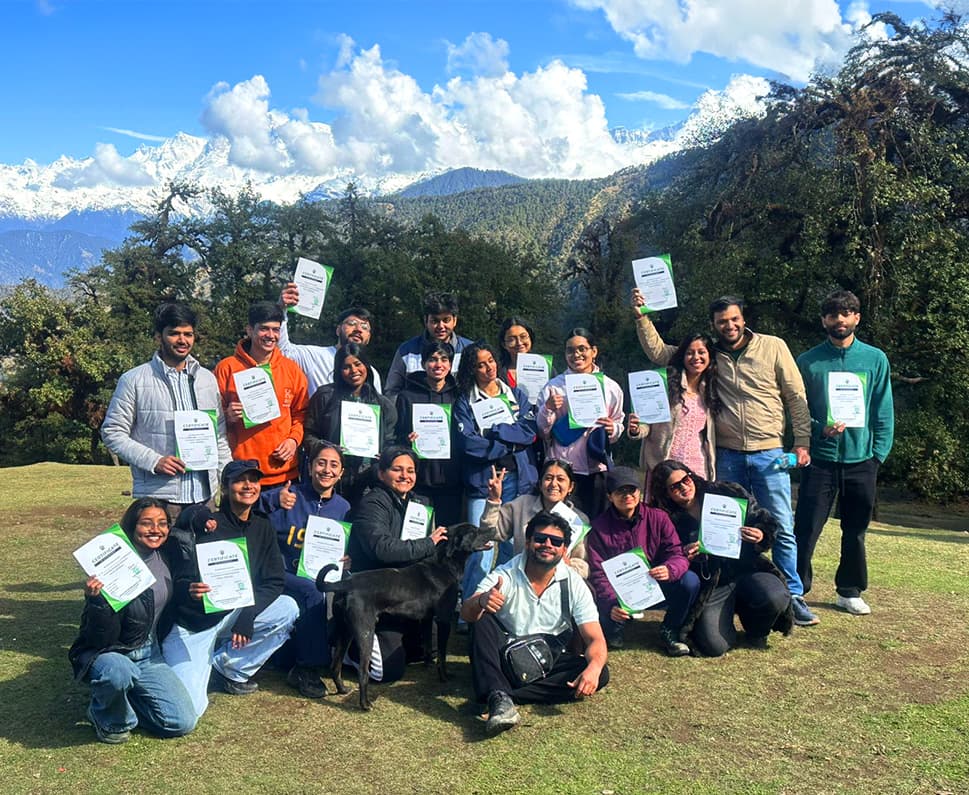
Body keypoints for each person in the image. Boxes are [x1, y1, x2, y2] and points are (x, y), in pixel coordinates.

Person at [632, 292, 817, 627]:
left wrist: (801, 441)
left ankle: (793, 595)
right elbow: (661, 352)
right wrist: (642, 315)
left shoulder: (773, 346)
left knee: (780, 525)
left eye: (734, 319)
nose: (729, 326)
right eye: (721, 322)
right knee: (718, 529)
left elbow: (795, 394)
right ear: (714, 325)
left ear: (743, 317)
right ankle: (722, 590)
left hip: (769, 452)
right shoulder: (709, 352)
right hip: (726, 456)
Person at [161, 460, 299, 716]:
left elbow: (274, 581)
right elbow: (181, 530)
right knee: (188, 709)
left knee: (287, 608)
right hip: (196, 624)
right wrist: (189, 589)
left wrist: (247, 616)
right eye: (239, 480)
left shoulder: (262, 525)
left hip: (233, 613)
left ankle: (228, 669)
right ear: (224, 488)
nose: (248, 486)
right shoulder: (207, 523)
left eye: (253, 480)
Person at [460, 512, 610, 735]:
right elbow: (467, 612)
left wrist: (594, 668)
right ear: (528, 542)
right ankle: (499, 695)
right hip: (503, 654)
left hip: (545, 659)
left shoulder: (575, 583)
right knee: (481, 617)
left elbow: (595, 639)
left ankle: (500, 695)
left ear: (564, 549)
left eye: (556, 541)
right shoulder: (505, 574)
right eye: (540, 538)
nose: (547, 545)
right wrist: (482, 600)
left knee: (600, 673)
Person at [794, 289, 894, 617]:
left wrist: (877, 454)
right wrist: (818, 427)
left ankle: (849, 591)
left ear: (857, 318)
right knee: (806, 526)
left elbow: (883, 409)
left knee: (855, 528)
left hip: (861, 459)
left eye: (847, 313)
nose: (840, 320)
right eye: (833, 314)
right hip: (820, 459)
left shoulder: (875, 359)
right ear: (824, 320)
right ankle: (796, 589)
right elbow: (795, 409)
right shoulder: (808, 361)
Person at [69, 499, 197, 744]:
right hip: (111, 652)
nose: (155, 530)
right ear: (131, 526)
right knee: (118, 671)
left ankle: (124, 696)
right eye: (146, 523)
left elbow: (191, 521)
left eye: (162, 523)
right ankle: (108, 718)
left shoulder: (168, 554)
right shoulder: (110, 565)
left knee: (181, 722)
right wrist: (97, 602)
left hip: (150, 654)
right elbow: (98, 639)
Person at [101, 303, 231, 519]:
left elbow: (218, 436)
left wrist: (226, 480)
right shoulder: (134, 380)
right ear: (158, 337)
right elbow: (112, 432)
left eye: (188, 334)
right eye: (174, 333)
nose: (182, 340)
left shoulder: (207, 379)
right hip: (160, 499)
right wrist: (154, 461)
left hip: (205, 497)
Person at [650, 459, 793, 657]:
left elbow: (765, 520)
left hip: (747, 569)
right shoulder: (665, 518)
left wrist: (760, 534)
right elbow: (663, 556)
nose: (684, 487)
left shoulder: (725, 492)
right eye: (675, 487)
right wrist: (686, 556)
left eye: (686, 479)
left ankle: (757, 630)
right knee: (713, 645)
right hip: (712, 584)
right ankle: (725, 618)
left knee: (774, 596)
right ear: (665, 493)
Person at [344, 447, 450, 682]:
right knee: (387, 672)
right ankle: (348, 652)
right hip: (374, 594)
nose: (405, 476)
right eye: (397, 469)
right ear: (381, 474)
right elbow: (381, 549)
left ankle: (392, 641)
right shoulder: (373, 503)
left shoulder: (419, 504)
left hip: (403, 591)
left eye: (410, 470)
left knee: (426, 650)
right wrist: (428, 543)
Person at [453, 341, 539, 602]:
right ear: (472, 369)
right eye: (480, 364)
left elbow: (529, 431)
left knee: (513, 548)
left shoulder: (516, 394)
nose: (488, 367)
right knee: (481, 548)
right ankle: (469, 609)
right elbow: (469, 445)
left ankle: (505, 605)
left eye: (490, 360)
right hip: (484, 483)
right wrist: (507, 445)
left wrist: (495, 432)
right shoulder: (464, 402)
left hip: (519, 480)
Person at [264, 441, 351, 697]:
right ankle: (308, 667)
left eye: (334, 465)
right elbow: (248, 509)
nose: (327, 469)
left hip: (318, 575)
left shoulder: (343, 508)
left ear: (341, 472)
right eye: (321, 463)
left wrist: (347, 559)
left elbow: (346, 546)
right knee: (313, 591)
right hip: (283, 572)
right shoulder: (289, 495)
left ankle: (319, 657)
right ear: (310, 467)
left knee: (326, 590)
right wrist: (272, 499)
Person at [586, 467, 700, 656]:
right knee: (605, 616)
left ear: (639, 492)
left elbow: (677, 553)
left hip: (656, 585)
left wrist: (669, 570)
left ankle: (670, 630)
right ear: (609, 496)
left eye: (632, 489)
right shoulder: (599, 527)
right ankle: (616, 626)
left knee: (690, 581)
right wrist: (611, 603)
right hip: (621, 594)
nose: (627, 495)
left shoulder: (659, 517)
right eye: (620, 491)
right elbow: (598, 573)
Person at [214, 301, 309, 492]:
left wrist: (293, 440)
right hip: (242, 474)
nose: (271, 336)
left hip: (283, 473)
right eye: (264, 329)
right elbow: (212, 419)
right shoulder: (226, 368)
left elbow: (301, 414)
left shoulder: (291, 369)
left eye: (276, 330)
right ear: (249, 330)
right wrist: (228, 416)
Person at [536, 328, 624, 518]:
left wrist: (613, 428)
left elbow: (618, 424)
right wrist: (548, 408)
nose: (576, 354)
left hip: (597, 469)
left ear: (594, 351)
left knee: (597, 527)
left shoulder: (610, 387)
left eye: (582, 349)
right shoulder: (553, 387)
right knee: (563, 526)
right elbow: (543, 432)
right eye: (570, 350)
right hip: (564, 470)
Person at [627, 332, 720, 500]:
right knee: (662, 518)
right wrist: (635, 429)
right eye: (690, 352)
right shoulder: (667, 384)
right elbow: (646, 425)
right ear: (682, 356)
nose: (696, 357)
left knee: (692, 517)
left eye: (701, 352)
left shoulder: (711, 389)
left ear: (710, 356)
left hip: (697, 466)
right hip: (664, 464)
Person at [303, 343, 397, 504]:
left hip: (368, 479)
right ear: (339, 371)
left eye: (358, 364)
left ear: (366, 366)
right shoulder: (325, 397)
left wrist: (386, 455)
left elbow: (391, 440)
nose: (354, 371)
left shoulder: (383, 404)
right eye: (346, 367)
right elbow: (308, 432)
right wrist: (327, 449)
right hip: (330, 477)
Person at [478, 458, 590, 578]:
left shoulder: (579, 520)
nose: (553, 484)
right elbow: (489, 533)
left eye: (560, 479)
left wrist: (568, 565)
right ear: (540, 484)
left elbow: (582, 566)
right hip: (521, 578)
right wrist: (494, 500)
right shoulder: (521, 505)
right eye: (548, 478)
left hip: (560, 580)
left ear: (570, 487)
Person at [394, 341, 463, 526]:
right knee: (415, 532)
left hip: (451, 479)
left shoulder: (459, 396)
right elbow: (397, 435)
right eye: (432, 359)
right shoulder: (407, 396)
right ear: (424, 363)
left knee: (447, 537)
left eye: (443, 359)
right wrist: (407, 440)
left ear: (450, 364)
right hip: (419, 480)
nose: (438, 365)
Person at [278, 284, 383, 394]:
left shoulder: (372, 373)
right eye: (352, 323)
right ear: (338, 330)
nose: (358, 329)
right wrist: (281, 309)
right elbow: (284, 351)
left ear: (369, 338)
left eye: (364, 327)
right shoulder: (315, 357)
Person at [384, 291, 473, 398]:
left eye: (446, 320)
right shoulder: (406, 351)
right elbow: (392, 391)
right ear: (426, 321)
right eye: (435, 321)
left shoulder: (469, 350)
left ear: (454, 320)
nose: (441, 326)